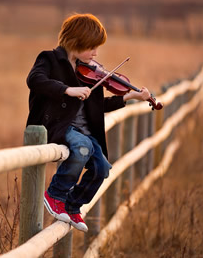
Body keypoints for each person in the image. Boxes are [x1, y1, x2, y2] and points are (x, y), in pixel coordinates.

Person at [25, 13, 151, 232]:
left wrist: (129, 97)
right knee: (82, 149)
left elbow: (97, 106)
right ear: (76, 42)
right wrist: (67, 90)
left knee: (102, 168)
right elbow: (34, 80)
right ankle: (54, 195)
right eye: (92, 47)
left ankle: (73, 205)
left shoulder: (90, 71)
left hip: (84, 131)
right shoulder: (49, 59)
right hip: (59, 126)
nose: (95, 53)